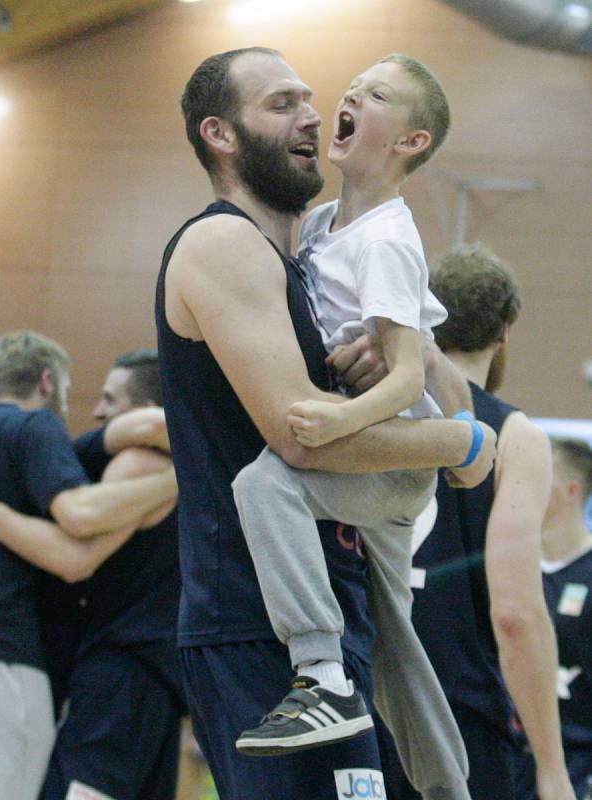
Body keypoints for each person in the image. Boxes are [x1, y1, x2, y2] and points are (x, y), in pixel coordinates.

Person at [156, 46, 495, 800]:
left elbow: (438, 386)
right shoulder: (223, 244)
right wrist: (459, 441)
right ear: (221, 134)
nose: (311, 114)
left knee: (403, 654)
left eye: (311, 99)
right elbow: (298, 435)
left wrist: (412, 365)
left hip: (334, 609)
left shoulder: (322, 248)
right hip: (254, 620)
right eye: (282, 104)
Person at [378, 242, 576, 800]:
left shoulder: (373, 407)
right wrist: (552, 766)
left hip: (360, 695)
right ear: (504, 330)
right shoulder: (515, 436)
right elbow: (514, 613)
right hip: (452, 709)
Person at [0, 331, 178, 800]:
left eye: (108, 398)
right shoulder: (39, 435)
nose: (95, 409)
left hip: (123, 671)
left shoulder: (131, 459)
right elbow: (76, 537)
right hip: (136, 673)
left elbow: (79, 535)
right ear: (45, 381)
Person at [516, 438, 592, 799]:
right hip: (510, 757)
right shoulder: (509, 570)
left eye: (538, 477)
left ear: (570, 491)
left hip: (578, 764)